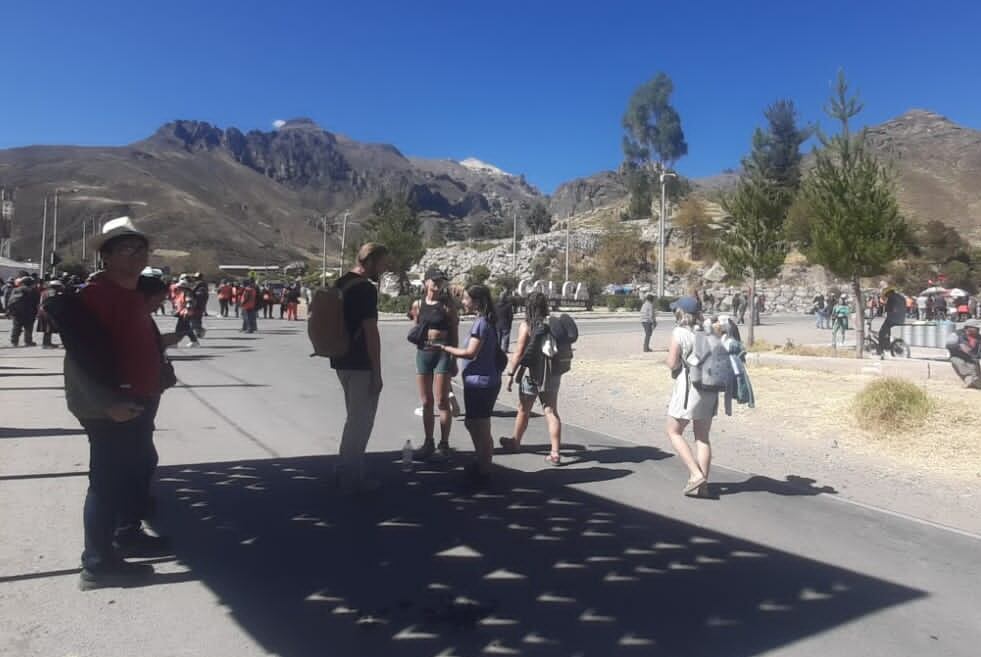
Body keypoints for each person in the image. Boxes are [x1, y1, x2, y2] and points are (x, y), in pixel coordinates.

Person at [63, 217, 171, 590]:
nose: (138, 254)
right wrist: (108, 403)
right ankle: (97, 563)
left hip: (136, 401)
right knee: (106, 483)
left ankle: (126, 534)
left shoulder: (133, 295)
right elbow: (79, 358)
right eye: (126, 248)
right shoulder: (96, 296)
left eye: (141, 247)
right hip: (112, 407)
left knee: (134, 470)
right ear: (105, 256)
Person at [329, 243, 389, 492]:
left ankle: (345, 467)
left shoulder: (341, 283)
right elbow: (370, 332)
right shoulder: (365, 289)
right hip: (360, 363)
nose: (385, 268)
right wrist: (377, 372)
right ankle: (352, 479)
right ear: (371, 261)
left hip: (340, 358)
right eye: (383, 263)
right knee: (361, 421)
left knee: (353, 418)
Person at [438, 285, 502, 483]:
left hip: (481, 383)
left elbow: (470, 352)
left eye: (466, 299)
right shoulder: (484, 321)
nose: (463, 302)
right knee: (476, 424)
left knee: (479, 426)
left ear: (476, 301)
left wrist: (445, 348)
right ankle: (484, 464)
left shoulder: (481, 323)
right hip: (481, 381)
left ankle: (484, 470)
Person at [500, 292, 564, 465]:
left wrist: (510, 374)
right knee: (550, 411)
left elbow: (520, 352)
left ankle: (515, 442)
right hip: (552, 373)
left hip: (531, 374)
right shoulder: (552, 324)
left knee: (523, 409)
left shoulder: (527, 325)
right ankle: (555, 453)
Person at [664, 296, 718, 498]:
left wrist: (674, 364)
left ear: (681, 313)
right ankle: (703, 486)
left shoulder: (679, 332)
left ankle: (695, 475)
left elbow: (672, 363)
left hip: (689, 390)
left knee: (673, 431)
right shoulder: (708, 330)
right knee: (702, 438)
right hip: (710, 388)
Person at [412, 269, 459, 461]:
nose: (438, 284)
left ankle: (444, 444)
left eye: (441, 282)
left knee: (441, 401)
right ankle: (428, 442)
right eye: (435, 281)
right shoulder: (418, 304)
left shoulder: (447, 306)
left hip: (443, 354)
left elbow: (454, 332)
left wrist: (454, 358)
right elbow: (415, 327)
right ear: (426, 282)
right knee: (426, 402)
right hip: (423, 353)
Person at [946, 319, 981, 389]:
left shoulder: (979, 338)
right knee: (959, 363)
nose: (978, 329)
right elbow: (949, 345)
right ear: (968, 328)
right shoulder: (957, 334)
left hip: (972, 359)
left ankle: (974, 382)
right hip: (958, 356)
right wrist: (959, 347)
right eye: (976, 328)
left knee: (977, 380)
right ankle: (969, 380)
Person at [7, 276, 40, 347]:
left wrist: (10, 311)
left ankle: (14, 342)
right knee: (28, 327)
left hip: (17, 312)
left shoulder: (16, 290)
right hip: (29, 312)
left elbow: (10, 301)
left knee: (16, 327)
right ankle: (28, 341)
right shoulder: (34, 291)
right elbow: (37, 302)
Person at [877, 286, 906, 358]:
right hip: (902, 318)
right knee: (887, 331)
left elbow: (887, 309)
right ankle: (889, 344)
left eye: (886, 295)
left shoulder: (891, 298)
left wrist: (880, 312)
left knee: (881, 333)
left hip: (893, 319)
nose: (886, 296)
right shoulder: (901, 297)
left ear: (889, 293)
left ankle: (881, 350)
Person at [38, 279, 65, 348]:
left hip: (43, 311)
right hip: (49, 312)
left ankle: (48, 343)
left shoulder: (44, 292)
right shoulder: (54, 292)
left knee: (48, 328)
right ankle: (46, 344)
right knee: (48, 328)